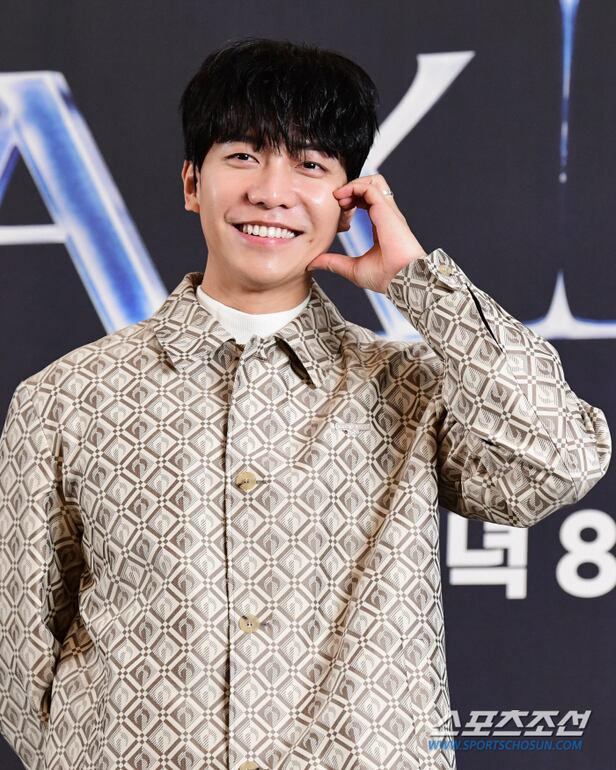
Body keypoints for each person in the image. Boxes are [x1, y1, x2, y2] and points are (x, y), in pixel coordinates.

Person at [0, 36, 610, 770]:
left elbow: (559, 462)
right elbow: (21, 662)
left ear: (350, 203)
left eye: (311, 164)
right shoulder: (65, 399)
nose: (271, 191)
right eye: (243, 155)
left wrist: (420, 283)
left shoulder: (409, 387)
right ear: (192, 182)